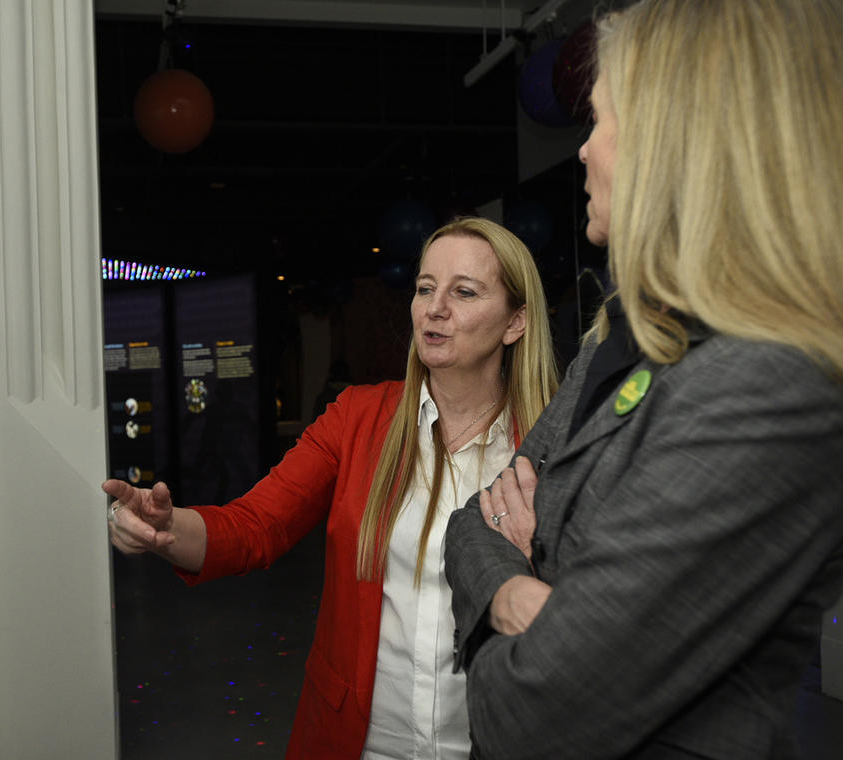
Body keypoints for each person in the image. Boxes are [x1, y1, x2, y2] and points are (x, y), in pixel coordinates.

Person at [443, 1, 843, 758]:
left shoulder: (770, 387)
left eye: (598, 121)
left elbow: (537, 714)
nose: (585, 151)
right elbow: (471, 524)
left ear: (677, 143)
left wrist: (525, 569)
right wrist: (514, 590)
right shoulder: (619, 340)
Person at [105, 217, 559, 759]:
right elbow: (256, 527)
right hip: (363, 743)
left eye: (463, 292)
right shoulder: (358, 419)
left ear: (515, 322)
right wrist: (165, 529)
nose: (435, 308)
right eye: (424, 288)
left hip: (502, 741)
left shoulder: (555, 443)